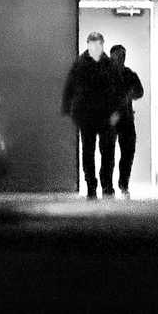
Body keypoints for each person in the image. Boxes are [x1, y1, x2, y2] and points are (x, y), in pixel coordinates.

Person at [61, 31, 118, 198]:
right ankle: (92, 185)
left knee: (106, 151)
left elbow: (116, 90)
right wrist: (68, 108)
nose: (95, 47)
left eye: (98, 44)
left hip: (103, 114)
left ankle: (106, 184)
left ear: (102, 44)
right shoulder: (81, 64)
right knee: (89, 151)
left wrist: (116, 111)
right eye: (93, 44)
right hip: (87, 113)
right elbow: (70, 87)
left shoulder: (106, 65)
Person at [107, 43, 144, 196]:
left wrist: (130, 95)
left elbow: (140, 92)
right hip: (109, 120)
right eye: (117, 56)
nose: (120, 60)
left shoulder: (129, 74)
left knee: (128, 152)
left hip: (126, 119)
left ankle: (123, 183)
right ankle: (107, 186)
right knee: (108, 153)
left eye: (122, 56)